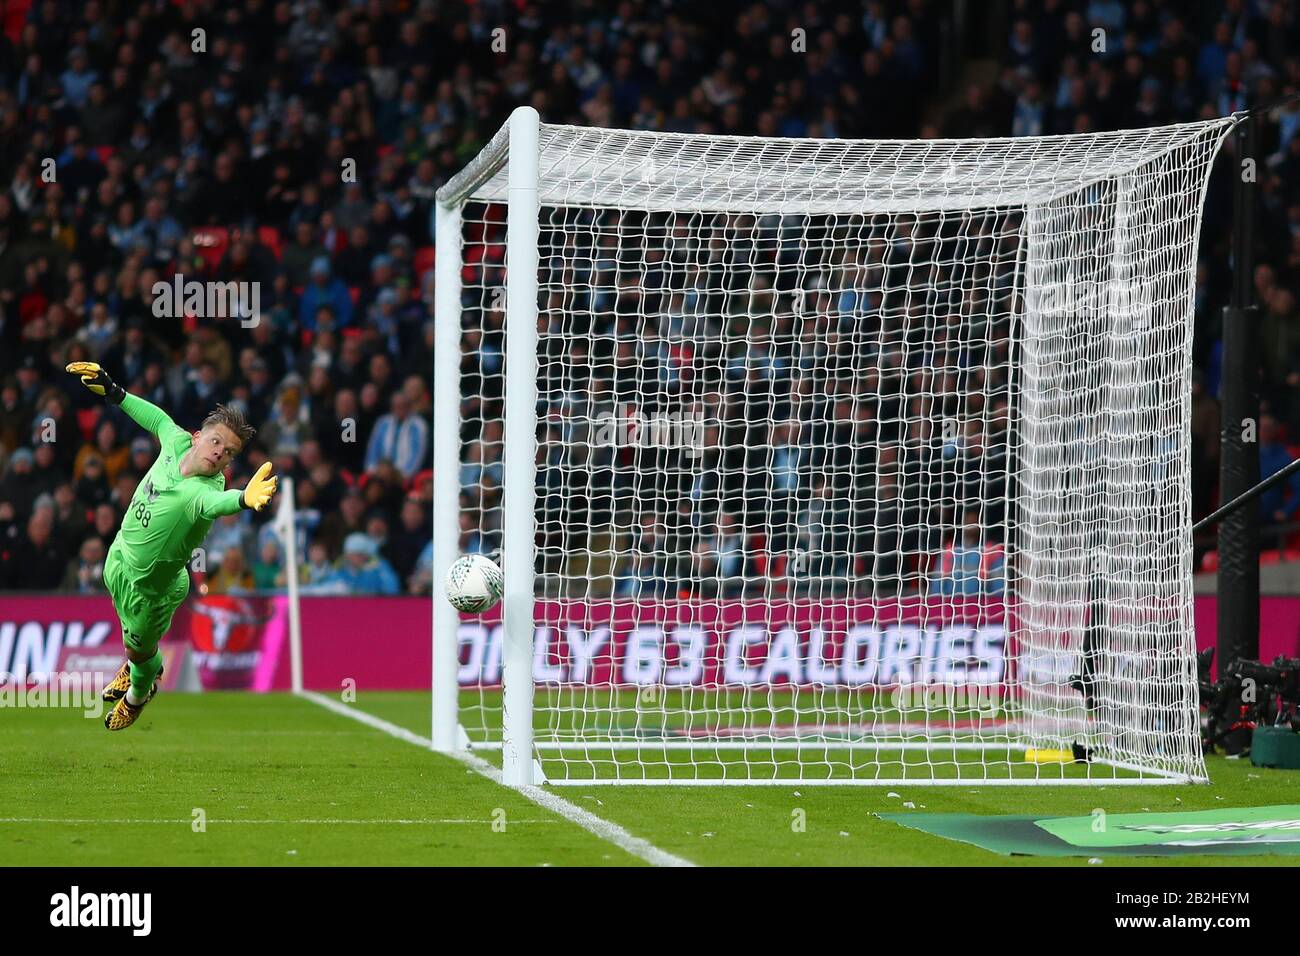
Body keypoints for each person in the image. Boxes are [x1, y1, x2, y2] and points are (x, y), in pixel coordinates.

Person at [65, 362, 278, 731]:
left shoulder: (204, 491)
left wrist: (243, 499)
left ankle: (138, 694)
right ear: (197, 436)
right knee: (118, 604)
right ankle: (135, 666)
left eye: (228, 453)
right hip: (120, 557)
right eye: (215, 442)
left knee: (140, 651)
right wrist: (114, 391)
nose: (219, 454)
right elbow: (155, 418)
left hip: (153, 590)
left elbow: (219, 504)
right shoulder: (176, 440)